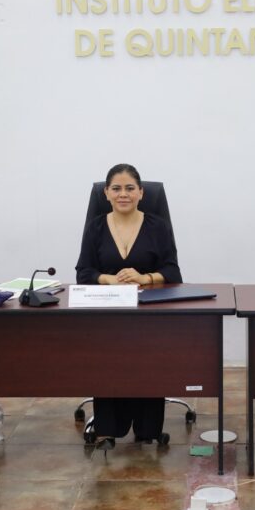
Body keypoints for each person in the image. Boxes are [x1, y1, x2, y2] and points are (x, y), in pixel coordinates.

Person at [76, 163, 182, 451]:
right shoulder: (96, 227)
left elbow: (173, 271)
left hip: (149, 315)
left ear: (141, 193)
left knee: (148, 363)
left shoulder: (157, 226)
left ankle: (148, 429)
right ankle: (108, 429)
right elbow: (84, 272)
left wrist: (145, 277)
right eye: (116, 188)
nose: (123, 194)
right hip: (107, 315)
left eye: (130, 188)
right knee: (108, 363)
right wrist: (108, 279)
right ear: (106, 194)